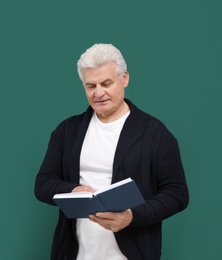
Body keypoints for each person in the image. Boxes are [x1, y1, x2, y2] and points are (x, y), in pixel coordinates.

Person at [34, 43, 189, 260]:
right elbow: (42, 183)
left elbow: (177, 194)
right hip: (75, 254)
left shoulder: (155, 133)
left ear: (124, 78)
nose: (99, 93)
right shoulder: (67, 131)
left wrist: (132, 216)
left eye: (106, 83)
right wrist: (72, 190)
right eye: (91, 86)